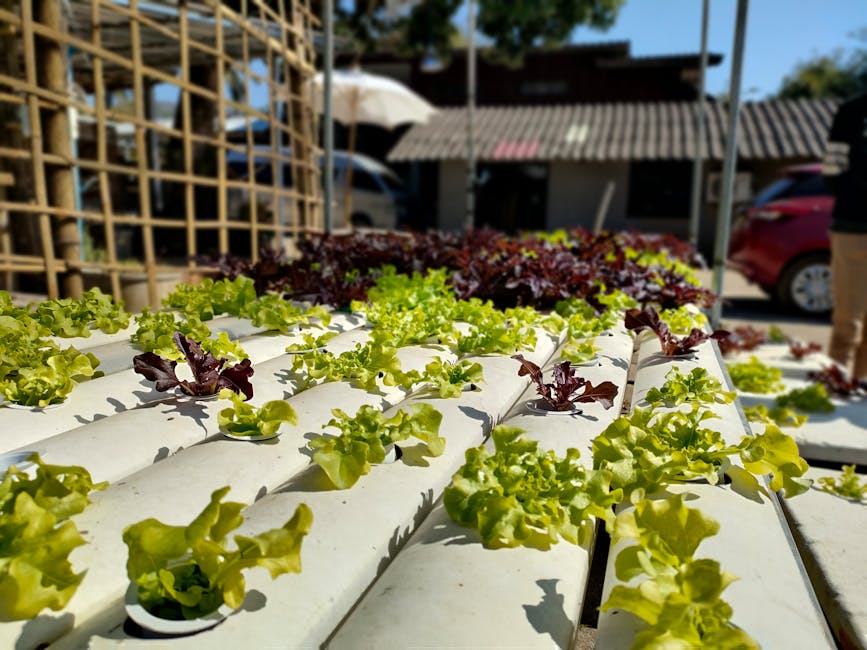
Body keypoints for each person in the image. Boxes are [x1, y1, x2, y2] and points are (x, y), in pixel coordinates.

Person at [822, 92, 867, 381]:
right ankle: (834, 389)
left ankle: (857, 392)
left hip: (853, 222)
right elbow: (832, 171)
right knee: (847, 323)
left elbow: (831, 173)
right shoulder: (852, 112)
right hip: (853, 228)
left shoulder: (852, 111)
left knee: (855, 325)